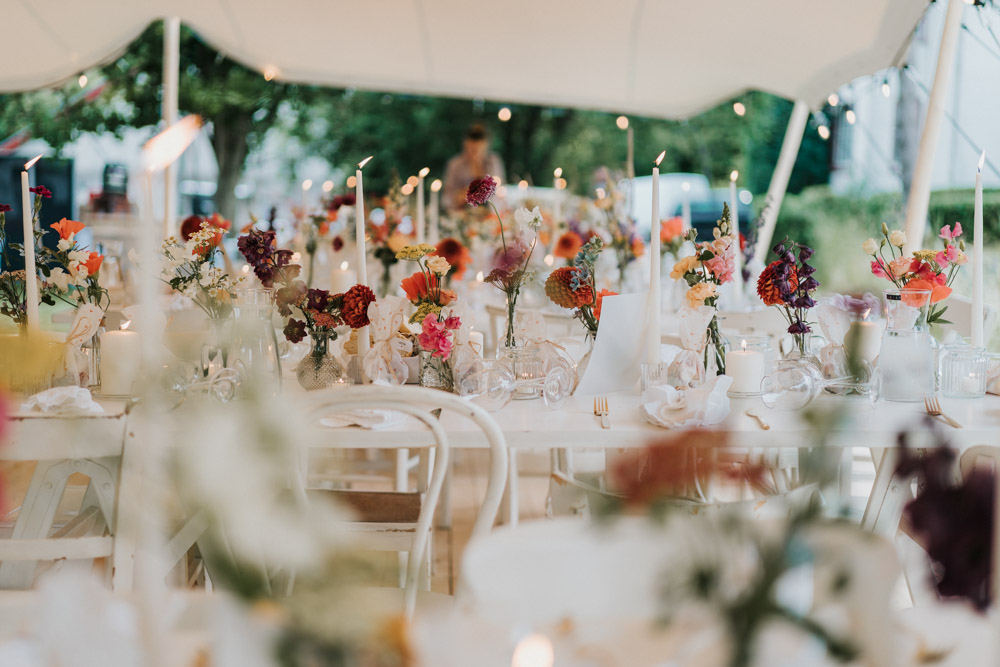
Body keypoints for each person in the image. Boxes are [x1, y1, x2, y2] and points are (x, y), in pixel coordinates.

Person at [443, 124, 506, 211]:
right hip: (461, 214)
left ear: (486, 145)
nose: (475, 153)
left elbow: (500, 192)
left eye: (478, 149)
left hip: (490, 215)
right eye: (471, 149)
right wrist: (457, 198)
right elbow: (446, 198)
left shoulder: (493, 162)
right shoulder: (455, 165)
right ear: (465, 144)